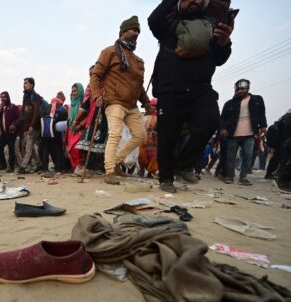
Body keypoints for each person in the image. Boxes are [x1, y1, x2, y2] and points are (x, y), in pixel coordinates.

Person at [148, 0, 234, 192]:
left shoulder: (211, 24)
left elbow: (220, 59)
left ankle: (183, 165)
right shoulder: (169, 24)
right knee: (168, 135)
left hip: (201, 89)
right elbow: (153, 20)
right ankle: (166, 178)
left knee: (210, 122)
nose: (194, 1)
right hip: (170, 89)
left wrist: (224, 42)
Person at [90, 16, 149, 185]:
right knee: (115, 134)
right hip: (114, 101)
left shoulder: (138, 61)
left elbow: (139, 86)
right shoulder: (110, 51)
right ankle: (109, 171)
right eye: (133, 29)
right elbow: (96, 75)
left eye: (138, 30)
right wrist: (96, 95)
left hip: (132, 105)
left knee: (141, 135)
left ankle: (115, 161)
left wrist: (146, 103)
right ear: (123, 32)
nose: (137, 33)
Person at [220, 79, 267, 185]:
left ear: (248, 88)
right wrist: (223, 129)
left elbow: (262, 113)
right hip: (232, 134)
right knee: (231, 156)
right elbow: (222, 118)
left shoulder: (257, 100)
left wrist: (263, 125)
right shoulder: (229, 103)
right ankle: (229, 176)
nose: (240, 91)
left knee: (248, 155)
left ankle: (243, 177)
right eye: (238, 89)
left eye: (242, 89)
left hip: (249, 134)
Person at [73, 66, 108, 175]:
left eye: (94, 74)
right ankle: (87, 167)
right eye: (91, 74)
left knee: (106, 145)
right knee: (86, 144)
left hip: (106, 118)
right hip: (92, 119)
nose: (92, 76)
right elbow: (84, 107)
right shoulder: (90, 89)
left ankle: (105, 168)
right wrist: (76, 121)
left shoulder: (107, 86)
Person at [16, 77, 41, 174]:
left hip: (33, 127)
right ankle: (39, 164)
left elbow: (36, 112)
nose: (24, 85)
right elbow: (23, 114)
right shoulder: (25, 97)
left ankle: (23, 167)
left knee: (28, 147)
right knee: (31, 148)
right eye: (24, 83)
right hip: (26, 127)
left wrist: (32, 126)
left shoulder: (35, 96)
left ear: (31, 85)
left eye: (26, 83)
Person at [0, 91, 19, 172]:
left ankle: (11, 167)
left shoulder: (12, 107)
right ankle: (3, 165)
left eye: (4, 97)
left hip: (11, 132)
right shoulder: (1, 108)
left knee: (11, 149)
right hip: (4, 133)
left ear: (8, 97)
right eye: (1, 97)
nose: (3, 99)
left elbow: (19, 118)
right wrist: (0, 110)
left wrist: (14, 124)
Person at [66, 83, 85, 176]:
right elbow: (69, 119)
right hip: (71, 129)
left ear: (80, 91)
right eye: (72, 91)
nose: (73, 93)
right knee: (70, 149)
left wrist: (79, 125)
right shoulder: (72, 104)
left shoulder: (83, 102)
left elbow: (87, 115)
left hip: (80, 128)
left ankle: (80, 166)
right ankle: (76, 168)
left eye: (75, 91)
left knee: (75, 148)